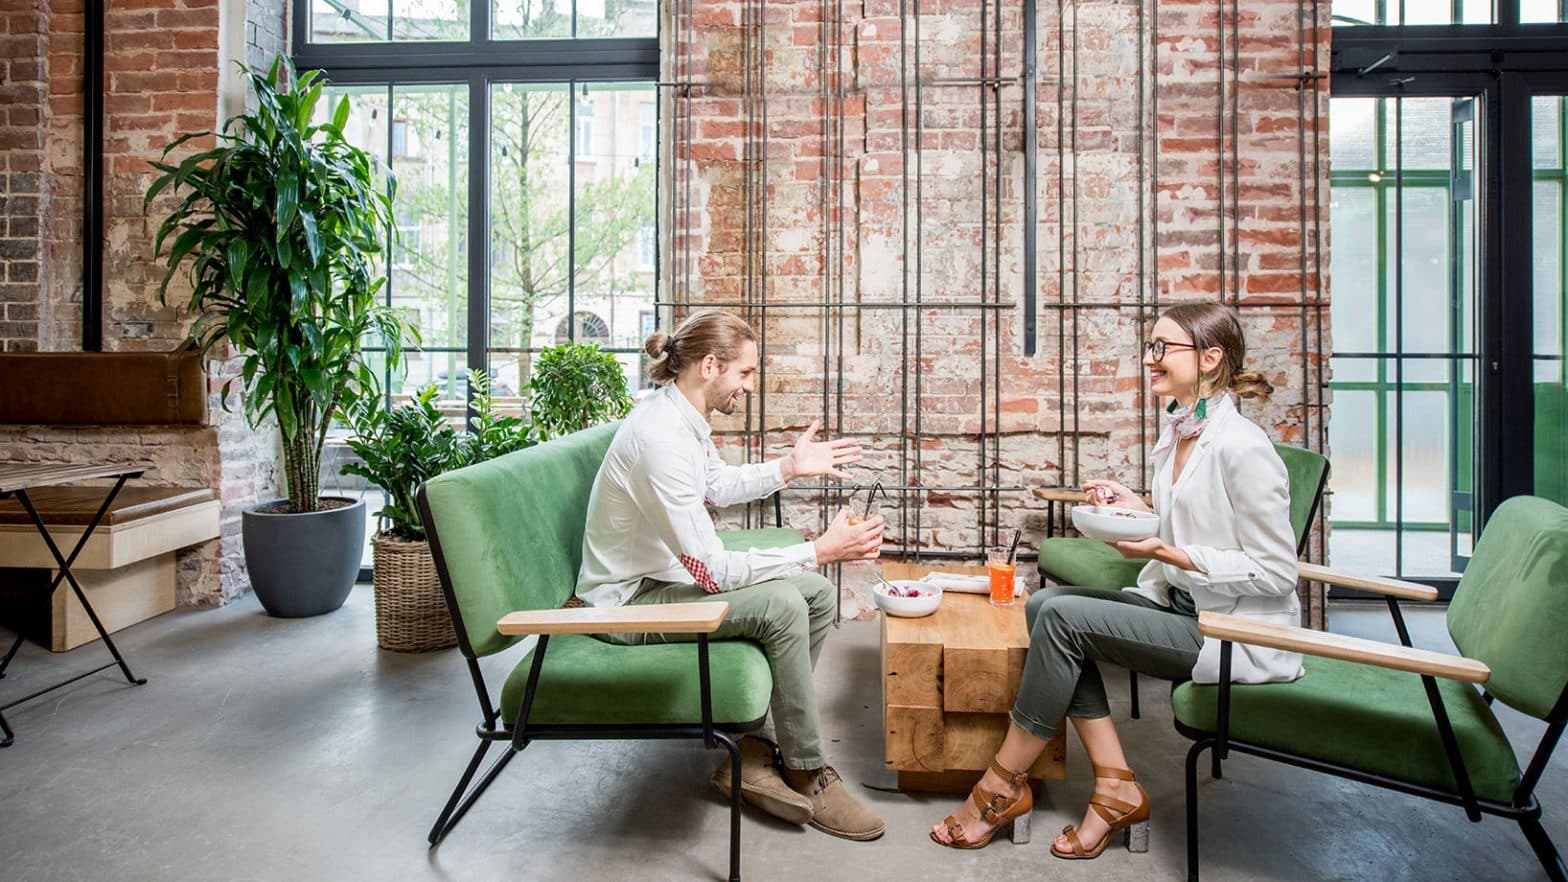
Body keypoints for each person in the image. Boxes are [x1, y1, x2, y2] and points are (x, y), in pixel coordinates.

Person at [929, 301, 1304, 857]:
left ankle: (1002, 784)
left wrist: (1168, 551)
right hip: (1178, 604)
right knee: (1046, 607)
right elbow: (1198, 517)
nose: (1150, 358)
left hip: (1229, 631)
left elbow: (1276, 572)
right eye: (1149, 346)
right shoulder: (1180, 431)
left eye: (1163, 348)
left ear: (1209, 359)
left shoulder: (1244, 447)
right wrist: (1140, 506)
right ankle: (1115, 785)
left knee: (1058, 617)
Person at [576, 309, 889, 841]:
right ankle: (805, 770)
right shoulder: (660, 439)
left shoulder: (682, 418)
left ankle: (753, 749)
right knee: (785, 603)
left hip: (661, 577)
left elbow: (716, 485)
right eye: (744, 374)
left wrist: (789, 468)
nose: (748, 386)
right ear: (710, 365)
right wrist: (818, 549)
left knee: (813, 595)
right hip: (625, 602)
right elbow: (714, 572)